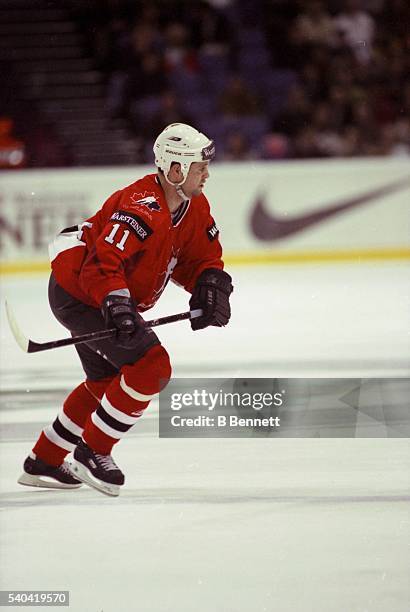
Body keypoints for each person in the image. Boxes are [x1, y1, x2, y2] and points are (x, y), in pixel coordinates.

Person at [18, 123, 233, 497]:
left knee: (104, 383)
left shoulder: (194, 206)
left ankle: (45, 459)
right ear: (176, 170)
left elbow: (199, 256)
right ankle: (93, 452)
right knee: (152, 366)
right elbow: (103, 263)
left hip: (96, 295)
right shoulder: (139, 207)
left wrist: (210, 283)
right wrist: (117, 304)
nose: (207, 174)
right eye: (200, 167)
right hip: (82, 294)